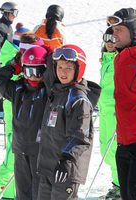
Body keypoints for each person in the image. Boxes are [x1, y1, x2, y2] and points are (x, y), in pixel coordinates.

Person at [0, 33, 45, 200]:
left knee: (16, 169)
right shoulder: (15, 64)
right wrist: (16, 65)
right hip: (17, 128)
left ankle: (9, 195)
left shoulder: (26, 64)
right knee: (9, 167)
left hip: (24, 127)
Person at [37, 44, 100, 200]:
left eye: (68, 68)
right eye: (59, 67)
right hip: (48, 165)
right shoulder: (57, 91)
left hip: (65, 168)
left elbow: (80, 135)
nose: (62, 72)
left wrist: (67, 159)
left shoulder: (78, 99)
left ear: (79, 69)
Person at [107, 8, 136, 200]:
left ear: (134, 30)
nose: (113, 34)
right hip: (124, 141)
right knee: (127, 195)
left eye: (119, 29)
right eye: (112, 29)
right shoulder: (120, 59)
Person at [98, 27, 120, 199]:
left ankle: (121, 185)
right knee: (106, 148)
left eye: (114, 39)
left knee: (114, 150)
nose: (110, 42)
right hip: (106, 110)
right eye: (107, 38)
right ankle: (117, 183)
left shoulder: (121, 58)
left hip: (116, 111)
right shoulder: (106, 59)